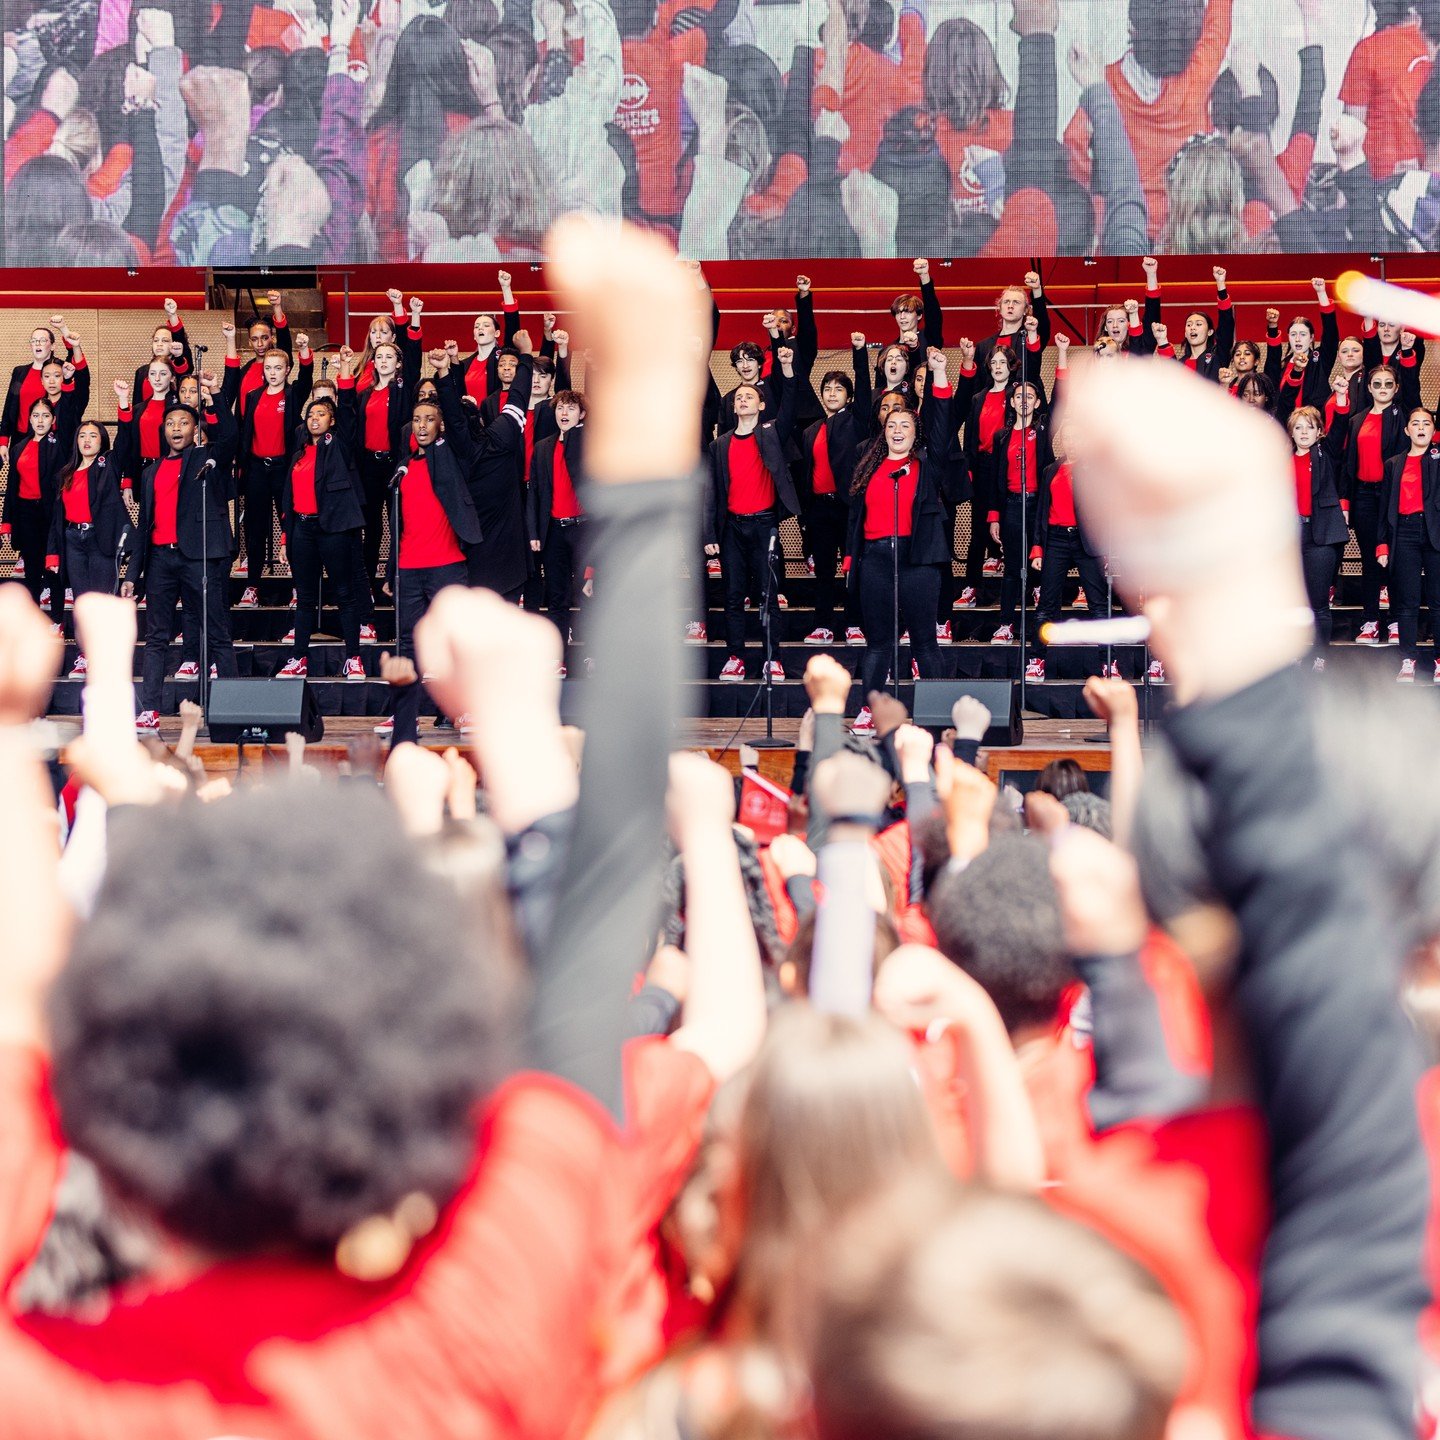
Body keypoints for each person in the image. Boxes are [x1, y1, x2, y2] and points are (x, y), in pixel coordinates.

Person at [123, 381, 240, 731]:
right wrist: (132, 575)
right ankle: (151, 710)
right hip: (160, 560)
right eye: (170, 423)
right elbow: (144, 526)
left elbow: (232, 438)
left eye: (183, 423)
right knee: (156, 637)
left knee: (217, 633)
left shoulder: (206, 458)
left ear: (195, 430)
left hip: (198, 557)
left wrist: (216, 397)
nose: (176, 428)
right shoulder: (149, 472)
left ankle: (233, 708)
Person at [845, 348, 955, 709]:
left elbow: (941, 422)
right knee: (879, 643)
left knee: (925, 641)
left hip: (917, 560)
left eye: (905, 425)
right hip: (875, 560)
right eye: (891, 424)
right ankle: (869, 710)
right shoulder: (870, 466)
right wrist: (851, 559)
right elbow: (855, 521)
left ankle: (937, 712)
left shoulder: (926, 464)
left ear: (915, 432)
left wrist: (938, 374)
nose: (897, 429)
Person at [706, 348, 799, 684]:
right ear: (733, 407)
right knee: (732, 596)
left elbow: (790, 403)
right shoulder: (720, 445)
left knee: (768, 595)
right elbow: (712, 494)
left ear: (761, 405)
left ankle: (772, 658)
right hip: (732, 528)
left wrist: (787, 367)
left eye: (750, 396)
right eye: (739, 397)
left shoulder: (771, 434)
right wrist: (709, 537)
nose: (742, 400)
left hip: (764, 526)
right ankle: (735, 657)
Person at [276, 393, 365, 684]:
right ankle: (299, 657)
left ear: (332, 421)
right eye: (311, 414)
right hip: (303, 529)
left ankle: (353, 658)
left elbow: (351, 423)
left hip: (333, 529)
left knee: (344, 594)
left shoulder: (337, 446)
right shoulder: (299, 454)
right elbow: (287, 499)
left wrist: (346, 377)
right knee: (304, 597)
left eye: (321, 414)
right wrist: (286, 537)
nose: (315, 418)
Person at [226, 330, 314, 600]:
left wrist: (304, 350)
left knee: (291, 528)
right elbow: (245, 432)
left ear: (287, 370)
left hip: (283, 470)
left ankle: (298, 586)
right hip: (256, 470)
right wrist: (241, 465)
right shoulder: (253, 396)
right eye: (268, 368)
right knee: (255, 529)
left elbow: (307, 377)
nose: (273, 372)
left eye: (278, 368)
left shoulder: (293, 395)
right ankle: (252, 587)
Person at [1028, 414, 1117, 684]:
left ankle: (1108, 663)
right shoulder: (1051, 470)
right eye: (1067, 437)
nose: (1071, 442)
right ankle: (1037, 661)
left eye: (1076, 437)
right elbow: (1042, 512)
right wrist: (1037, 549)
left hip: (1085, 540)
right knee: (1046, 604)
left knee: (1098, 605)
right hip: (1055, 539)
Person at [44, 420, 134, 678]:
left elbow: (125, 444)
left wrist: (123, 405)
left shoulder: (107, 466)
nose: (87, 440)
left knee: (101, 602)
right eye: (82, 435)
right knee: (82, 603)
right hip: (73, 539)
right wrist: (53, 553)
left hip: (99, 539)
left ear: (101, 441)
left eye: (93, 436)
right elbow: (56, 519)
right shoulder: (66, 473)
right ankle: (84, 656)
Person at [799, 333, 873, 647]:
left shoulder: (855, 420)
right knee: (824, 572)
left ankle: (854, 624)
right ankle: (823, 626)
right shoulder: (812, 429)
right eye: (827, 388)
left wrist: (859, 353)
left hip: (848, 507)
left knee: (853, 569)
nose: (832, 393)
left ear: (849, 396)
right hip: (819, 509)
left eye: (838, 389)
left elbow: (866, 391)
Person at [1346, 364, 1410, 646]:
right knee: (1370, 560)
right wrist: (1346, 500)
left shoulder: (1401, 417)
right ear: (1369, 387)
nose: (1382, 388)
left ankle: (1396, 621)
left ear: (1396, 388)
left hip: (1391, 496)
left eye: (1388, 384)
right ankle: (1370, 620)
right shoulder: (1356, 419)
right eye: (1377, 384)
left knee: (1394, 560)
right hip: (1363, 497)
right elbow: (1349, 464)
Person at [988, 376, 1053, 647]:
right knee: (1013, 567)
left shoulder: (1043, 429)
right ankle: (1005, 624)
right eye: (1018, 396)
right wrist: (994, 517)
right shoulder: (1002, 435)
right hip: (1013, 504)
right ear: (1011, 402)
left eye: (1029, 396)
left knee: (1039, 560)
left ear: (1037, 402)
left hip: (1038, 504)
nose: (1023, 400)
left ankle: (1042, 621)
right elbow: (995, 479)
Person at [1288, 396, 1351, 671]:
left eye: (1310, 427)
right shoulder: (1283, 459)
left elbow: (1339, 429)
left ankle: (1319, 657)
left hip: (1321, 535)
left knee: (1318, 603)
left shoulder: (1326, 453)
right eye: (1299, 427)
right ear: (1291, 432)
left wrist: (1339, 398)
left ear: (1318, 432)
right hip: (1292, 536)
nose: (1304, 432)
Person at [1378, 406, 1440, 682]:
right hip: (1403, 532)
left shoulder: (1439, 458)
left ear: (1433, 429)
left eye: (1426, 423)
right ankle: (1408, 659)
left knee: (1438, 601)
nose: (1421, 428)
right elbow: (1384, 508)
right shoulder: (1394, 464)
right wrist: (1382, 545)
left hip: (1435, 531)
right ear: (1407, 430)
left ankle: (1439, 659)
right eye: (1415, 423)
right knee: (1407, 602)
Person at [527, 389, 589, 659]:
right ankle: (558, 658)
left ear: (582, 415)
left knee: (590, 596)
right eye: (560, 408)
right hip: (553, 530)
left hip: (583, 530)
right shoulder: (543, 447)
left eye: (571, 409)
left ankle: (594, 657)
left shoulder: (590, 446)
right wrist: (534, 531)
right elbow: (535, 493)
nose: (564, 414)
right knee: (556, 599)